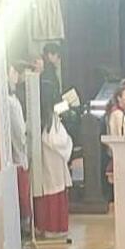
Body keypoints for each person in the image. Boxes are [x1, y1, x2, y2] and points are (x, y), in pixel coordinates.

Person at [33, 78, 74, 240]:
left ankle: (42, 226)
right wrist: (68, 140)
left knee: (46, 193)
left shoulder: (39, 114)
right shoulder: (50, 117)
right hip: (53, 161)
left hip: (44, 161)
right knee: (53, 194)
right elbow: (56, 140)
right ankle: (53, 228)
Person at [7, 63, 30, 233]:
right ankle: (23, 226)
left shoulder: (13, 99)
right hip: (17, 155)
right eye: (13, 72)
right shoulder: (11, 103)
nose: (16, 76)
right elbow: (19, 132)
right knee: (21, 194)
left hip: (17, 154)